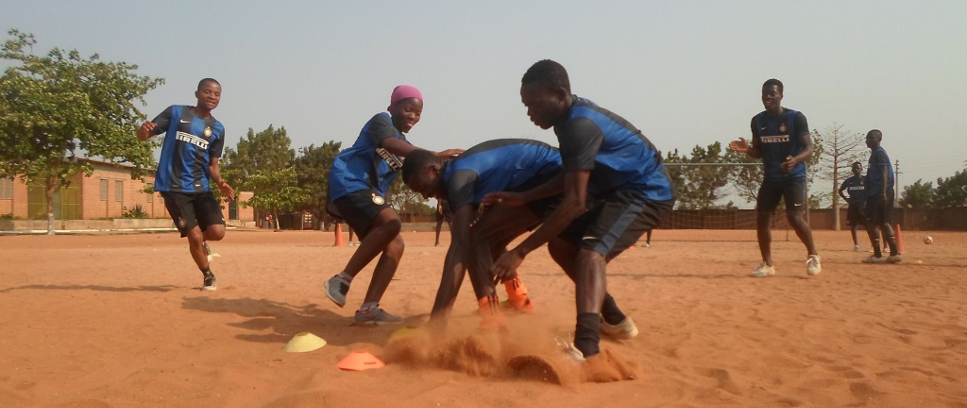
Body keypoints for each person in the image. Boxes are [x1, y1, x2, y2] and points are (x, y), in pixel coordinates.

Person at [486, 60, 674, 362]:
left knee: (590, 252)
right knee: (561, 245)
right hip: (616, 192)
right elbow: (572, 175)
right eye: (525, 105)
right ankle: (614, 319)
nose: (529, 112)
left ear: (560, 95)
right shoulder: (567, 122)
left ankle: (587, 348)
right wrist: (525, 197)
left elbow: (574, 202)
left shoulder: (579, 125)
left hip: (646, 191)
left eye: (534, 104)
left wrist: (519, 251)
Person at [323, 85, 463, 326]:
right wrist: (436, 154)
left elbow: (413, 160)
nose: (413, 116)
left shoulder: (404, 142)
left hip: (367, 193)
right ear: (393, 107)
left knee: (395, 244)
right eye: (408, 109)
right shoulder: (381, 121)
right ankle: (341, 279)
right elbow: (391, 144)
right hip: (350, 182)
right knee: (393, 223)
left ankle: (369, 308)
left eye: (418, 113)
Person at [402, 140, 561, 329]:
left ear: (434, 170)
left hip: (552, 174)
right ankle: (519, 300)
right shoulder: (459, 174)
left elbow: (461, 245)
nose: (426, 196)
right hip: (547, 175)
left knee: (476, 239)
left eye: (421, 188)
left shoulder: (458, 179)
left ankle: (492, 320)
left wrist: (438, 320)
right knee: (489, 238)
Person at [136, 78, 235, 291]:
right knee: (195, 235)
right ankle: (208, 275)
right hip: (174, 187)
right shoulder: (176, 113)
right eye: (207, 92)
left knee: (218, 232)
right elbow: (144, 136)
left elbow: (213, 165)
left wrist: (221, 182)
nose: (212, 96)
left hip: (201, 187)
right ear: (197, 93)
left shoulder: (217, 128)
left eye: (217, 94)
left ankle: (199, 243)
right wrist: (143, 131)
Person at [729, 78, 821, 278]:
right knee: (762, 218)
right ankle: (767, 264)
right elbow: (758, 152)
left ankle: (813, 254)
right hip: (771, 177)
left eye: (772, 94)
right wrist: (747, 150)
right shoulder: (758, 121)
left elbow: (809, 149)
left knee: (794, 217)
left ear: (781, 95)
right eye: (764, 94)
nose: (768, 97)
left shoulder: (795, 118)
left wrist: (795, 160)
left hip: (794, 175)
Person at [862, 130, 901, 263]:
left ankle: (878, 255)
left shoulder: (879, 153)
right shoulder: (874, 154)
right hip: (879, 191)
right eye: (867, 138)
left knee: (873, 222)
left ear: (879, 139)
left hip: (880, 192)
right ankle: (894, 253)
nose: (867, 140)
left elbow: (884, 172)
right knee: (883, 222)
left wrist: (882, 192)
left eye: (871, 138)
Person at [838, 161, 865, 251]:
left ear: (861, 169)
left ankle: (874, 244)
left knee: (869, 225)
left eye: (858, 168)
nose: (856, 170)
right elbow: (840, 191)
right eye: (854, 168)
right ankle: (856, 244)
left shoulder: (866, 180)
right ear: (852, 170)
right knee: (853, 225)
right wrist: (847, 199)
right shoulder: (849, 181)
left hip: (864, 206)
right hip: (853, 206)